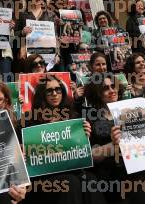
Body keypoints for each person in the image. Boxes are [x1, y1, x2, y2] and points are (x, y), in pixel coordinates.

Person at [84, 73, 145, 204]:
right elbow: (90, 156)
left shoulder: (133, 105)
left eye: (113, 86)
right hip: (117, 169)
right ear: (96, 93)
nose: (112, 91)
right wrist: (113, 145)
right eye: (105, 88)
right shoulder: (91, 119)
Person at [22, 75, 104, 203]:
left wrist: (85, 135)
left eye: (58, 89)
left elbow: (82, 151)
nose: (54, 94)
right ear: (42, 94)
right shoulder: (30, 119)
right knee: (70, 182)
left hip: (72, 170)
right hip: (44, 179)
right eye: (49, 91)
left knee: (89, 179)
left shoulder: (73, 116)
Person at [15, 0, 57, 68]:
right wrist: (22, 32)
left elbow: (55, 37)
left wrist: (57, 54)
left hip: (47, 56)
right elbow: (14, 35)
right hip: (27, 57)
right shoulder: (21, 14)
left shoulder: (51, 15)